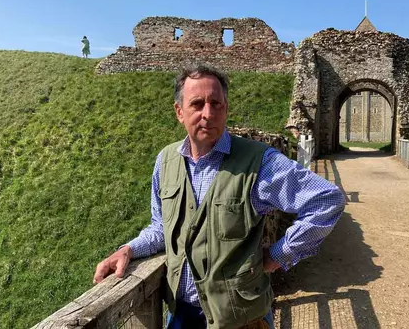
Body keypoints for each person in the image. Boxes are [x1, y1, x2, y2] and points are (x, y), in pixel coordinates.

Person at [93, 65, 345, 329]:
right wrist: (128, 249)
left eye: (216, 104)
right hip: (180, 316)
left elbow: (327, 199)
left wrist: (280, 254)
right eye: (197, 104)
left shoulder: (258, 163)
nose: (208, 113)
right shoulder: (165, 162)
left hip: (241, 321)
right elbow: (161, 228)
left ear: (226, 109)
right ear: (179, 111)